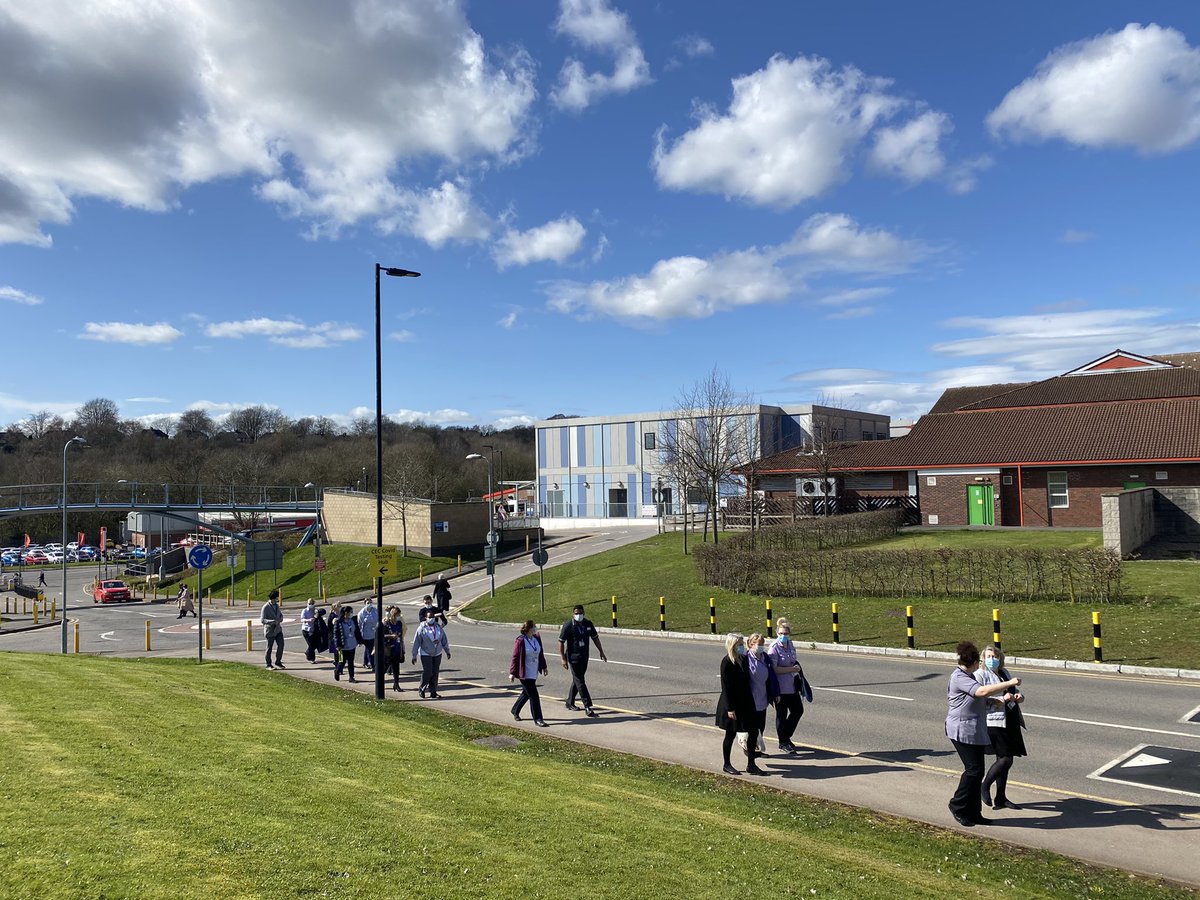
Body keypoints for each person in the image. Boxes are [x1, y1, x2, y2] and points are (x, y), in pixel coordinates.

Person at [946, 640, 1021, 827]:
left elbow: (981, 699)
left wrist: (997, 701)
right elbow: (981, 691)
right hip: (961, 730)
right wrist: (1009, 683)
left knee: (977, 772)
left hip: (975, 730)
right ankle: (957, 805)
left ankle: (974, 813)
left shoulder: (969, 676)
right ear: (974, 663)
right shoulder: (959, 677)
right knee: (973, 770)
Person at [976, 645, 1027, 811]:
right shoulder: (980, 674)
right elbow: (980, 700)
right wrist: (1002, 699)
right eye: (989, 656)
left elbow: (1013, 689)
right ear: (983, 658)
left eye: (995, 656)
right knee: (1006, 759)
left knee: (1004, 760)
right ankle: (984, 786)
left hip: (1010, 719)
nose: (992, 659)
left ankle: (1001, 797)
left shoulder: (1004, 673)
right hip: (993, 722)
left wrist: (1018, 696)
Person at [716, 632, 761, 775]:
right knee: (730, 734)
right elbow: (726, 686)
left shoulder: (743, 658)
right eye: (740, 644)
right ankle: (727, 764)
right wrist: (730, 708)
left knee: (753, 731)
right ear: (732, 646)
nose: (742, 647)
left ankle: (751, 764)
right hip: (732, 704)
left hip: (746, 701)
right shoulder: (726, 662)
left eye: (742, 644)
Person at [558, 603, 606, 716]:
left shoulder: (588, 624)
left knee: (578, 680)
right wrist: (563, 658)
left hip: (584, 656)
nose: (578, 615)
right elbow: (561, 642)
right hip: (573, 657)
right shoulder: (568, 625)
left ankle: (569, 702)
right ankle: (587, 705)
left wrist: (601, 651)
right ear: (573, 614)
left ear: (583, 613)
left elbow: (595, 638)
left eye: (580, 613)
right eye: (576, 613)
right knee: (580, 681)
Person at [767, 618, 806, 753]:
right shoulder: (773, 648)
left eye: (786, 633)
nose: (784, 636)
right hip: (780, 688)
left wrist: (796, 668)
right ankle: (783, 742)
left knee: (797, 711)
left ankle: (786, 736)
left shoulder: (790, 644)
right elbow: (774, 669)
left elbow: (793, 659)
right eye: (781, 633)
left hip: (792, 686)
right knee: (781, 714)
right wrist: (791, 669)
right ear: (777, 633)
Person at [745, 633, 779, 768]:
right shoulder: (746, 658)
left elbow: (772, 676)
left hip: (763, 697)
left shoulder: (765, 657)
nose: (761, 647)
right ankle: (750, 752)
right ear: (751, 644)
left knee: (761, 726)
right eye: (758, 644)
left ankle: (756, 749)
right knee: (752, 729)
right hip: (750, 699)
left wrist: (776, 693)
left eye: (762, 644)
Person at [509, 619, 549, 727]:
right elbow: (515, 657)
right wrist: (512, 672)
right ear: (529, 629)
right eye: (534, 626)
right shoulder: (521, 641)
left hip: (533, 672)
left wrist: (544, 666)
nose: (535, 628)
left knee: (526, 694)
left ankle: (515, 710)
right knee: (534, 696)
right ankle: (538, 719)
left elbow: (541, 654)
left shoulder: (536, 639)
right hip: (525, 673)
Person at [411, 610, 451, 698]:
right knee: (428, 672)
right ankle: (422, 688)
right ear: (426, 618)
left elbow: (444, 639)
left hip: (437, 652)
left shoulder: (438, 627)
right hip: (426, 653)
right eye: (429, 617)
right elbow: (416, 642)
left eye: (433, 617)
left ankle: (433, 691)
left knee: (435, 672)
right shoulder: (421, 628)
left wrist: (447, 651)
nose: (431, 619)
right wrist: (414, 655)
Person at [382, 605, 407, 691]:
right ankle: (380, 683)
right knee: (385, 668)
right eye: (397, 615)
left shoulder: (399, 623)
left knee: (396, 669)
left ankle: (396, 684)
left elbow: (401, 633)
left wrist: (402, 648)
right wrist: (391, 636)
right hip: (388, 649)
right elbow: (382, 636)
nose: (399, 617)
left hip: (397, 647)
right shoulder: (386, 623)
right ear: (393, 615)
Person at [260, 589, 285, 669]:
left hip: (278, 629)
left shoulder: (277, 606)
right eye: (278, 597)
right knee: (269, 647)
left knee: (281, 645)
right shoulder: (266, 607)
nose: (278, 598)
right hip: (270, 630)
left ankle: (278, 661)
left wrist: (280, 619)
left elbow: (280, 615)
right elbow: (262, 620)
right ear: (274, 597)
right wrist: (273, 621)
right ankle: (268, 664)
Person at [333, 605, 357, 682]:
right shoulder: (339, 622)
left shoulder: (352, 620)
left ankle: (351, 677)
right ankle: (337, 670)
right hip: (343, 646)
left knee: (351, 662)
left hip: (352, 644)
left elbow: (356, 631)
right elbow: (336, 634)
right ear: (345, 613)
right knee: (341, 661)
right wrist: (338, 645)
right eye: (350, 612)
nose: (351, 614)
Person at [358, 599, 379, 672]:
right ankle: (373, 665)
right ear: (365, 604)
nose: (369, 604)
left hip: (374, 634)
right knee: (370, 650)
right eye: (368, 603)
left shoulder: (375, 611)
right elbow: (359, 625)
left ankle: (365, 662)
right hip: (366, 635)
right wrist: (360, 637)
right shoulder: (361, 613)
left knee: (369, 649)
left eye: (370, 602)